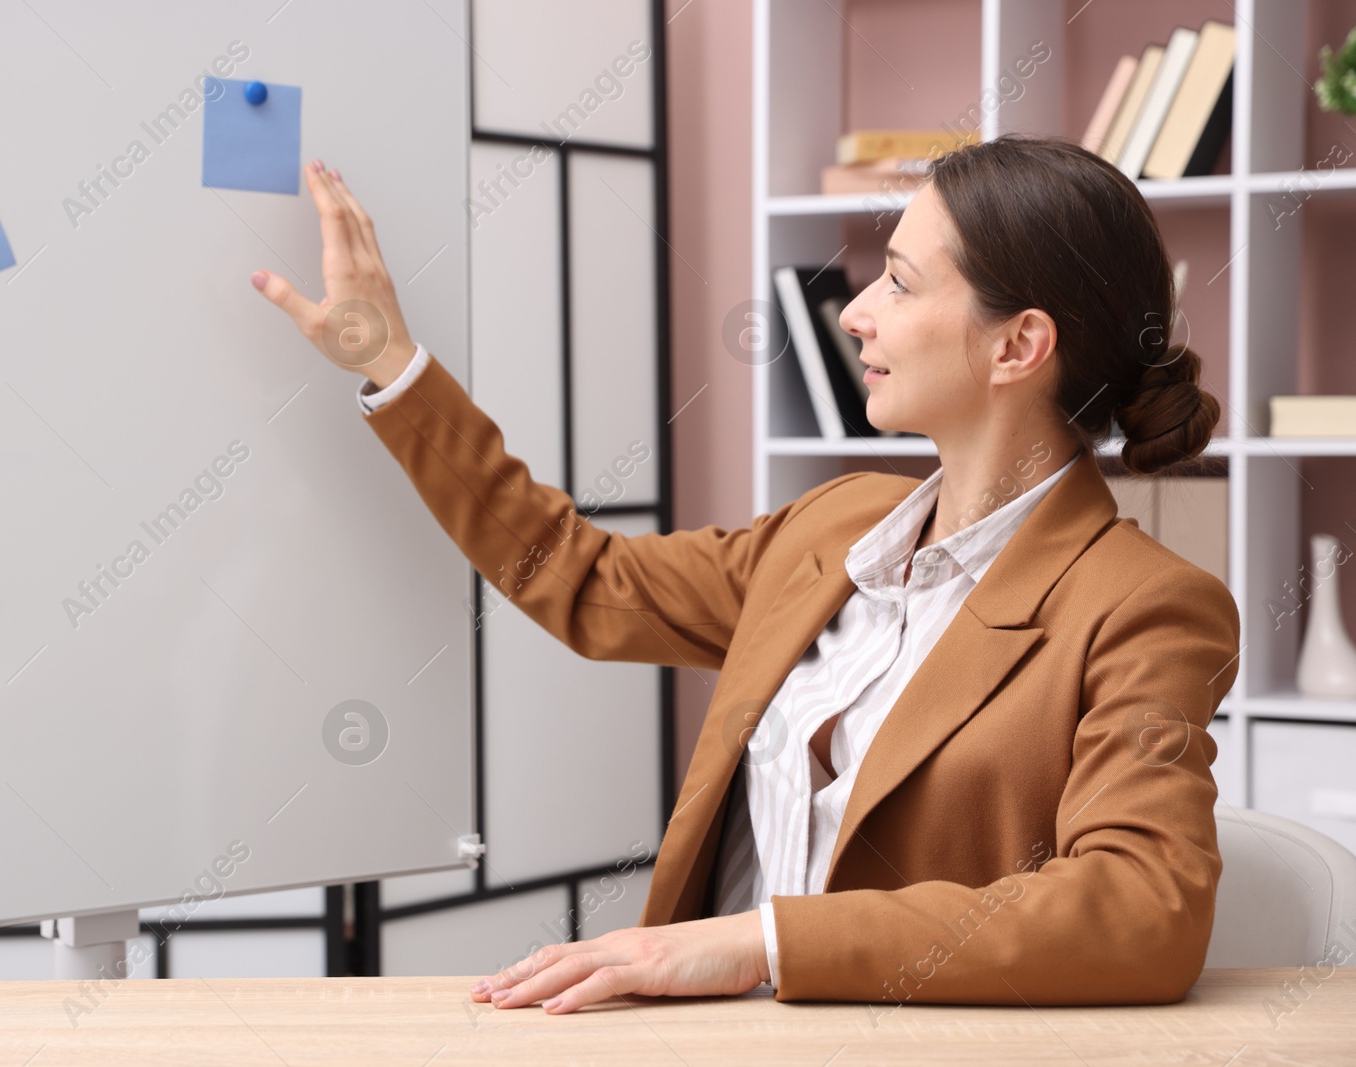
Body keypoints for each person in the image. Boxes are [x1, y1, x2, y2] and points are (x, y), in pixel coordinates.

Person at [249, 135, 1239, 1013]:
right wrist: (392, 362)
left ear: (1018, 344)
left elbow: (1140, 906)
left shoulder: (1143, 609)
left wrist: (756, 940)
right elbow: (578, 578)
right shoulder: (835, 525)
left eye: (898, 281)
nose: (854, 312)